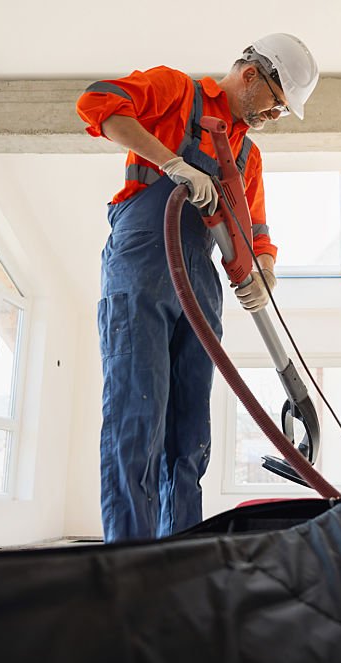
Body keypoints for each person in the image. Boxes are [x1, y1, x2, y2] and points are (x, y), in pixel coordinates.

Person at [76, 34, 319, 543]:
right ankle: (131, 559)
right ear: (250, 75)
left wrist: (263, 274)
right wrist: (172, 162)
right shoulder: (177, 91)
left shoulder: (247, 155)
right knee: (137, 416)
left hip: (200, 279)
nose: (274, 115)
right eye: (276, 102)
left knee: (189, 436)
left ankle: (182, 554)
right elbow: (98, 103)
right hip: (145, 259)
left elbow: (255, 234)